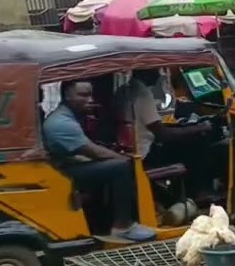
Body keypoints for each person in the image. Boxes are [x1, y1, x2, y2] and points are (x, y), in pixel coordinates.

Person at [43, 80, 156, 241]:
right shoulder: (61, 123)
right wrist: (126, 161)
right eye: (83, 95)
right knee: (121, 167)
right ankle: (123, 227)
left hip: (64, 165)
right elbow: (94, 152)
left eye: (90, 95)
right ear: (67, 96)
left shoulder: (69, 116)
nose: (90, 100)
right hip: (61, 173)